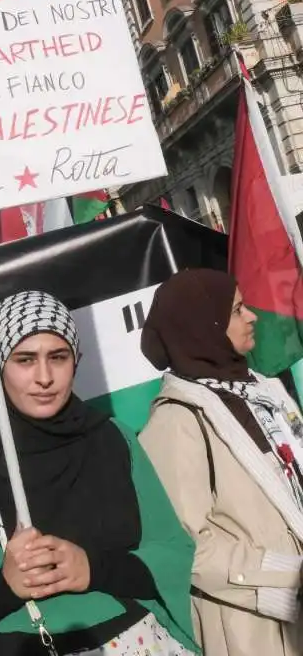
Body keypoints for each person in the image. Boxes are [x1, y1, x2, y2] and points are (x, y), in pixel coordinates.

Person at [0, 291, 198, 656]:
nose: (44, 377)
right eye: (25, 359)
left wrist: (93, 568)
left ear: (76, 361)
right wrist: (4, 587)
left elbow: (172, 554)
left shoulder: (112, 439)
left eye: (57, 357)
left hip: (134, 643)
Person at [140, 268, 303, 655]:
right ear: (204, 326)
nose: (252, 317)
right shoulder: (177, 420)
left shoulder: (263, 391)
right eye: (237, 310)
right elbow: (185, 545)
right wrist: (290, 577)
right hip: (256, 630)